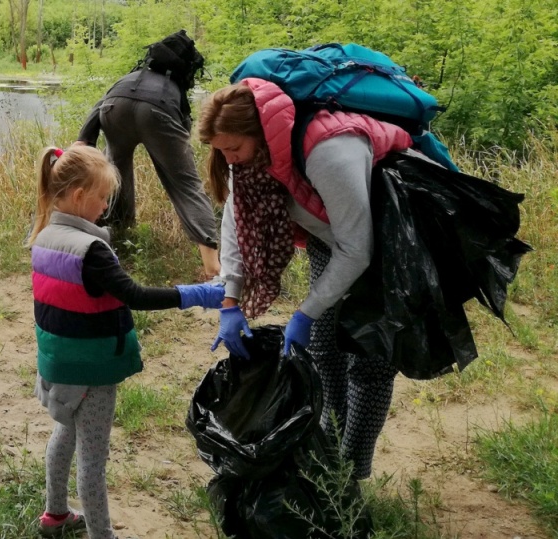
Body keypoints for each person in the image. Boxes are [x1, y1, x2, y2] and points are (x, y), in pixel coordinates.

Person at [197, 78, 415, 480]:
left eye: (233, 149)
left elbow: (357, 249)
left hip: (390, 243)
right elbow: (234, 218)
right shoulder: (248, 157)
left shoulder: (329, 152)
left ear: (261, 135)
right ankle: (327, 455)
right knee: (323, 351)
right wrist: (230, 299)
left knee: (367, 361)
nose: (230, 159)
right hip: (328, 235)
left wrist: (305, 312)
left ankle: (350, 478)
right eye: (221, 150)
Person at [28, 144, 225, 538]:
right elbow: (133, 295)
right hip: (93, 368)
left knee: (64, 432)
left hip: (57, 360)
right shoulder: (91, 250)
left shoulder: (45, 234)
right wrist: (195, 295)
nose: (104, 206)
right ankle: (103, 535)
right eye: (101, 197)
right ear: (81, 196)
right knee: (92, 459)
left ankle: (55, 514)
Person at [73, 30, 220, 279]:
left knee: (114, 172)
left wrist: (84, 138)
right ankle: (212, 265)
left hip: (114, 109)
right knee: (186, 185)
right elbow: (184, 127)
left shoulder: (132, 76)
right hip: (157, 112)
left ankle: (118, 230)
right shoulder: (173, 86)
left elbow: (102, 101)